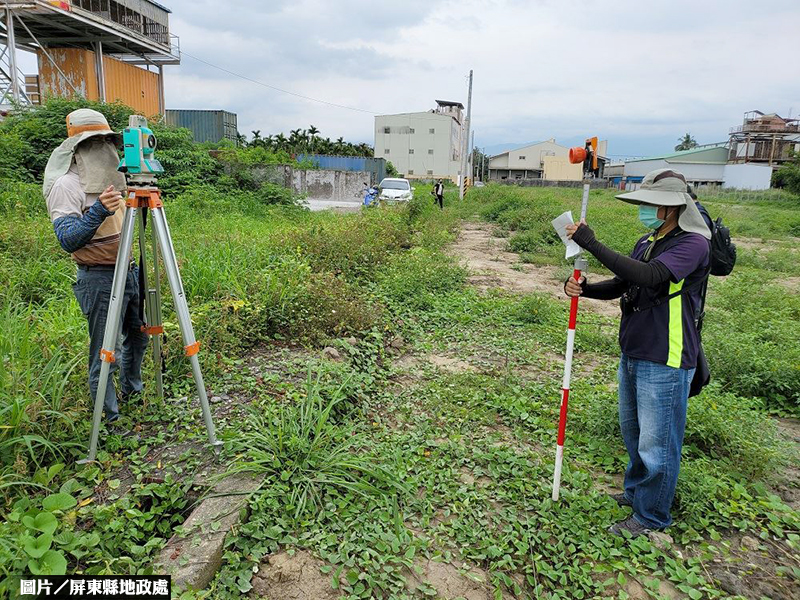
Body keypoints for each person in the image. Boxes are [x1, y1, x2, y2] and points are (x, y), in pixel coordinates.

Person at [564, 168, 711, 538]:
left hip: (666, 355)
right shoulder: (648, 240)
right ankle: (635, 494)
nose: (645, 209)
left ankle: (651, 517)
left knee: (657, 444)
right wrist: (586, 289)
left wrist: (592, 244)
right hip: (634, 349)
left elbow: (650, 276)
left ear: (673, 207)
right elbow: (624, 283)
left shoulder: (693, 244)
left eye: (652, 203)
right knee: (635, 433)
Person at [44, 109, 149, 425]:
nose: (102, 146)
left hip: (128, 271)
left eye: (106, 140)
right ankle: (109, 421)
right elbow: (67, 239)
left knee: (139, 336)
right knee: (107, 352)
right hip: (99, 278)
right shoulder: (66, 185)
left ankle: (133, 393)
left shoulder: (116, 178)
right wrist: (98, 210)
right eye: (94, 141)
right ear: (76, 146)